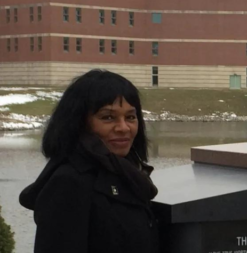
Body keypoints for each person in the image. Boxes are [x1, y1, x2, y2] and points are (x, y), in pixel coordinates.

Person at [19, 69, 159, 253]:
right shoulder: (70, 182)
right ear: (79, 122)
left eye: (130, 117)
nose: (124, 128)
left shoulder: (127, 171)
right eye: (108, 117)